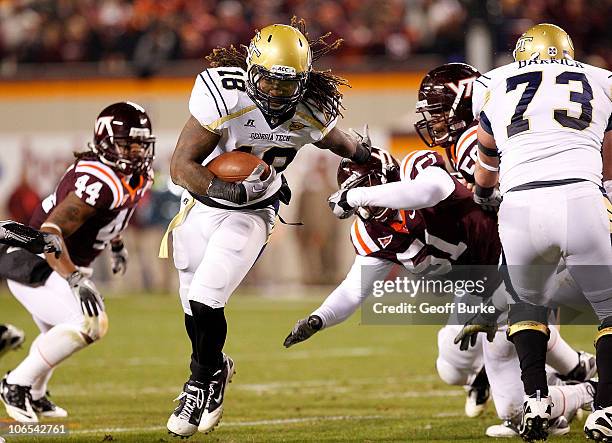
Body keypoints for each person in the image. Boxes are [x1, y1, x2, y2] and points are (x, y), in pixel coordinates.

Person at [286, 146, 596, 437]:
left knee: (513, 404)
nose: (367, 207)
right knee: (450, 366)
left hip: (515, 262)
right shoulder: (373, 233)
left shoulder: (419, 172)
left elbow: (430, 190)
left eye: (368, 197)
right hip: (476, 286)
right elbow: (354, 291)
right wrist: (318, 319)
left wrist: (357, 194)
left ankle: (587, 389)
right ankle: (575, 369)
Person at [163, 18, 374, 438]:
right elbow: (180, 165)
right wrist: (226, 189)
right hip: (202, 204)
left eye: (287, 84)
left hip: (255, 211)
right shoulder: (223, 94)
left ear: (303, 79)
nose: (277, 92)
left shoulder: (312, 110)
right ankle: (217, 367)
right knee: (192, 307)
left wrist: (369, 157)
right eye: (270, 82)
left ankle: (197, 383)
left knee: (207, 297)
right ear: (250, 71)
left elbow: (346, 145)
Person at [414, 62, 598, 437]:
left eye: (436, 109)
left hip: (520, 258)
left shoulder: (475, 140)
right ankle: (578, 372)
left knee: (508, 373)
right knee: (454, 362)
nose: (431, 119)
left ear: (462, 102)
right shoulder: (471, 138)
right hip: (500, 265)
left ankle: (579, 393)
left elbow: (497, 198)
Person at [472, 23, 612, 441]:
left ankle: (536, 400)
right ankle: (604, 409)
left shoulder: (494, 82)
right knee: (609, 312)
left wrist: (483, 196)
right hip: (580, 198)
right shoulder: (601, 79)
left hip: (519, 205)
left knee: (526, 308)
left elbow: (486, 158)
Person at [0, 102, 154, 423]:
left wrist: (116, 244)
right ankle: (14, 384)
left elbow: (115, 215)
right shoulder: (98, 180)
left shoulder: (138, 175)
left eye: (141, 143)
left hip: (65, 264)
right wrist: (74, 278)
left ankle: (37, 395)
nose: (137, 151)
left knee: (57, 335)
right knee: (89, 323)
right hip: (38, 261)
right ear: (105, 142)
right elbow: (50, 232)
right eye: (128, 144)